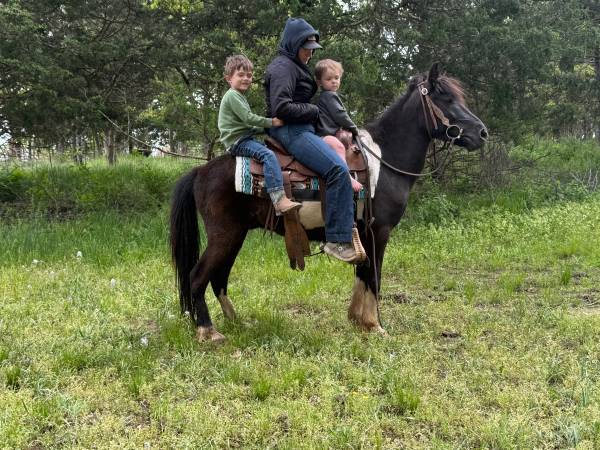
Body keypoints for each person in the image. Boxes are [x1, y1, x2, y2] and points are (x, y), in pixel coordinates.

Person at [265, 17, 365, 264]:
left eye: (313, 49)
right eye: (306, 48)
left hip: (303, 128)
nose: (310, 53)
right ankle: (336, 240)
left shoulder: (294, 64)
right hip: (292, 131)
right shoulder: (283, 68)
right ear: (293, 44)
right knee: (337, 169)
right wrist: (313, 111)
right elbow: (281, 107)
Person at [218, 55, 301, 216]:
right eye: (241, 75)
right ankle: (279, 200)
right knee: (268, 155)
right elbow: (248, 118)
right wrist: (272, 122)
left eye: (249, 75)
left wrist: (265, 130)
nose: (246, 78)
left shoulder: (239, 96)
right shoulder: (232, 95)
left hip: (243, 137)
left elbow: (247, 126)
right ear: (228, 78)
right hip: (238, 141)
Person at [314, 58, 363, 192]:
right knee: (339, 147)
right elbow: (340, 115)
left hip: (329, 133)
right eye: (328, 79)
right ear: (319, 82)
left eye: (336, 78)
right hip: (325, 134)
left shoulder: (327, 96)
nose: (334, 81)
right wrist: (354, 128)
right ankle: (347, 177)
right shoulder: (329, 96)